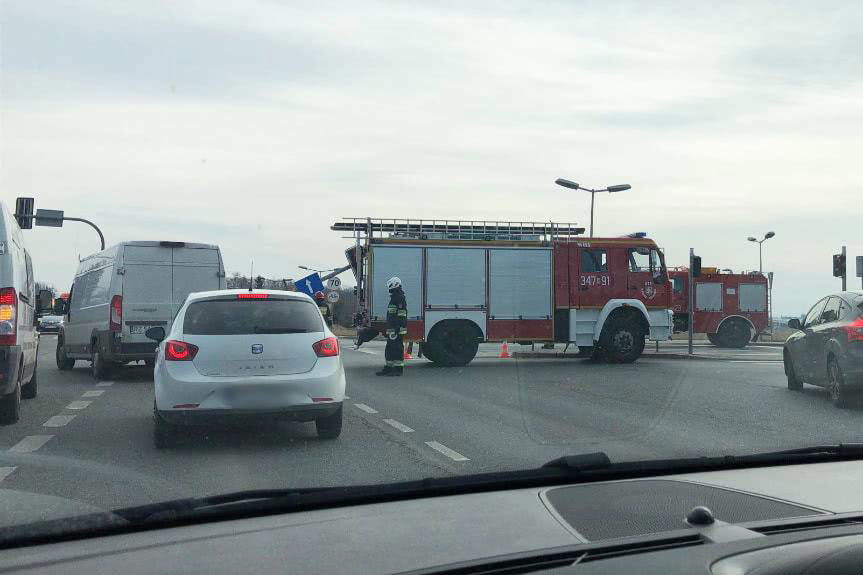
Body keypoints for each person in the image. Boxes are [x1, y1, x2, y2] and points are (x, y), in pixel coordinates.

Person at [376, 276, 407, 376]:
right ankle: (389, 367)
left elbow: (402, 314)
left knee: (397, 348)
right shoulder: (395, 297)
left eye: (390, 285)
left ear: (395, 285)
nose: (389, 287)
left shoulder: (399, 297)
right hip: (393, 328)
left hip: (397, 329)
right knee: (390, 347)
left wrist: (397, 328)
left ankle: (398, 369)